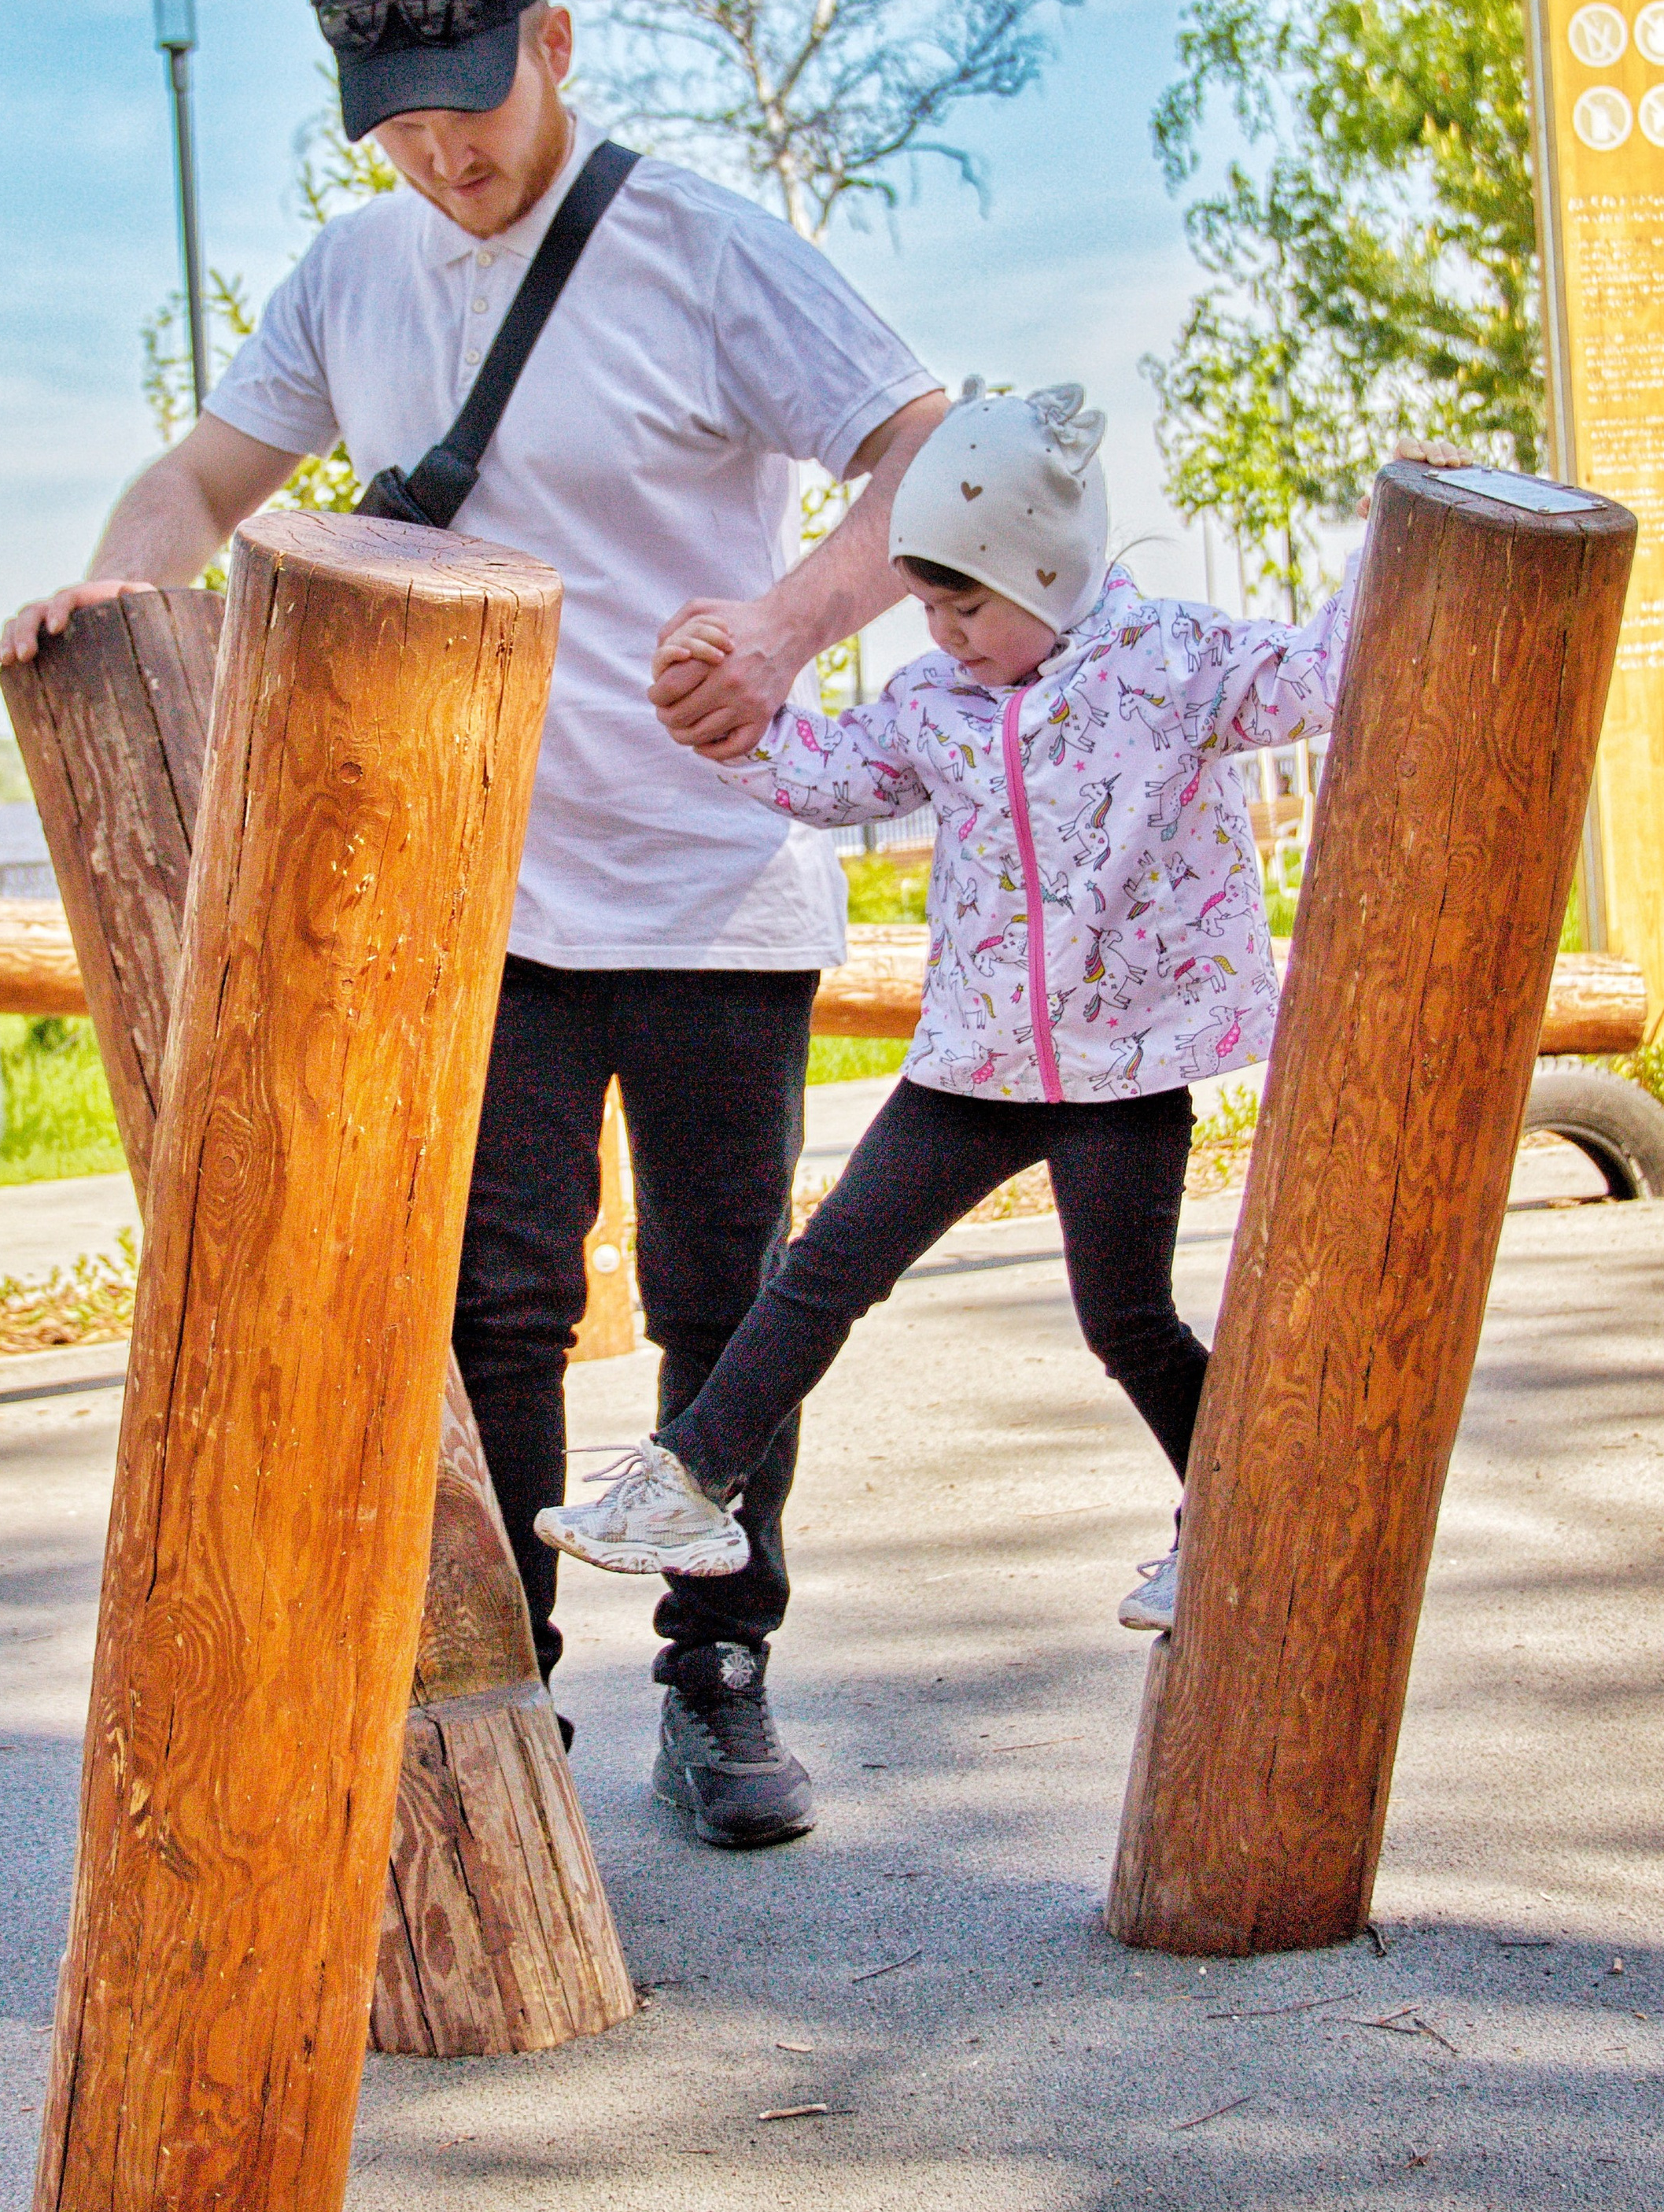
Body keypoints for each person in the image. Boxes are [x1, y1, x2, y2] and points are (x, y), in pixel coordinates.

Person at [0, 0, 947, 1849]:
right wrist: (117, 584)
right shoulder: (354, 276)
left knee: (715, 1293)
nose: (446, 156)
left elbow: (928, 447)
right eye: (401, 126)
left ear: (555, 45)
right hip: (466, 891)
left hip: (707, 881)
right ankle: (513, 1700)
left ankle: (719, 1664)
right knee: (491, 1302)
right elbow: (198, 483)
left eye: (470, 107)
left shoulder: (693, 248)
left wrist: (777, 631)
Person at [535, 377, 1369, 1630]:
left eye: (964, 604)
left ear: (1044, 570)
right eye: (926, 606)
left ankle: (1237, 1525)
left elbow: (1313, 678)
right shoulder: (937, 706)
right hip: (972, 1063)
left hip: (1122, 1069)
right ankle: (690, 1482)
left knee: (1129, 1320)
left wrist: (1385, 540)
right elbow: (836, 775)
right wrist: (737, 730)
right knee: (822, 1271)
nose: (941, 634)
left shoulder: (1176, 664)